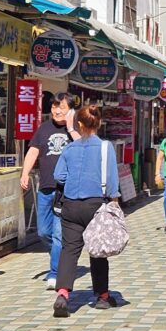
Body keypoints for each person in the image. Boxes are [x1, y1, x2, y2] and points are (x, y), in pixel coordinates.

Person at [51, 105, 120, 318]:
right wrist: (115, 200)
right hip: (95, 204)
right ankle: (103, 296)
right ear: (98, 123)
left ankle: (63, 294)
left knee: (69, 249)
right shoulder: (105, 147)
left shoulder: (70, 148)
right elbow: (111, 179)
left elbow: (58, 176)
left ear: (79, 124)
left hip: (71, 205)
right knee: (97, 249)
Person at [20, 93, 80, 290]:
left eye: (62, 107)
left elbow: (83, 148)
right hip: (45, 188)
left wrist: (71, 127)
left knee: (57, 233)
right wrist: (24, 173)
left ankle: (55, 273)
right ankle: (59, 255)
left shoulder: (77, 128)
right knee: (43, 232)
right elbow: (33, 151)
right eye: (55, 106)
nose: (57, 110)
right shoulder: (44, 128)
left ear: (71, 109)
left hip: (66, 191)